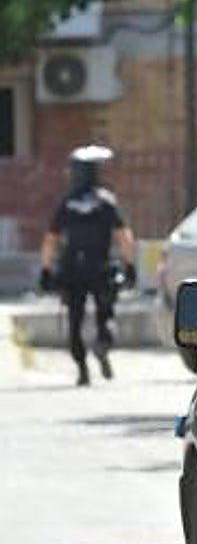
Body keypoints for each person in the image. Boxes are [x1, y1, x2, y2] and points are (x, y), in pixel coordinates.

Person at [40, 145, 137, 386]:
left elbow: (50, 239)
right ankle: (103, 343)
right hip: (101, 267)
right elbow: (125, 236)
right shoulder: (106, 202)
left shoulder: (67, 204)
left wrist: (46, 269)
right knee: (105, 314)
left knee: (74, 320)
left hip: (72, 269)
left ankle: (82, 368)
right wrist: (129, 265)